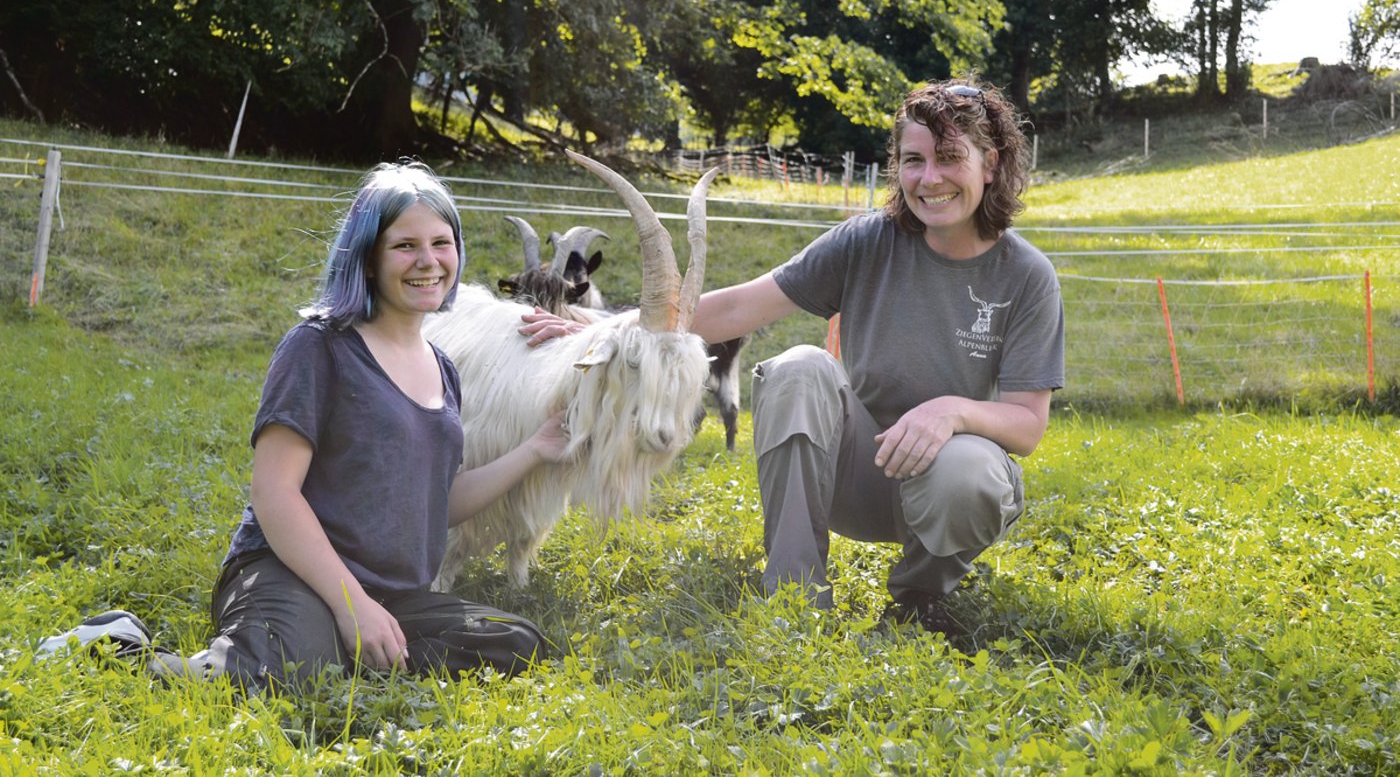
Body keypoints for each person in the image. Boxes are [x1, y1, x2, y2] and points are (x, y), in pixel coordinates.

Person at [524, 78, 1064, 633]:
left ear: (991, 164)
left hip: (946, 486)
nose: (930, 179)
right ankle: (794, 599)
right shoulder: (868, 241)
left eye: (950, 157)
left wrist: (950, 412)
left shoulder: (1026, 276)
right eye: (913, 159)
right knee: (797, 367)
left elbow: (1025, 424)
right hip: (855, 471)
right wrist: (594, 326)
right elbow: (737, 308)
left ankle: (918, 598)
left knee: (971, 475)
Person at [40, 161, 569, 691]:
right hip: (286, 569)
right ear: (367, 257)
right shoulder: (319, 347)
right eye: (404, 246)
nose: (428, 261)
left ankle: (342, 645)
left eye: (441, 242)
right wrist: (351, 604)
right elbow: (274, 494)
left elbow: (438, 499)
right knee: (285, 674)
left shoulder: (443, 368)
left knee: (516, 642)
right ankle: (116, 642)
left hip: (393, 594)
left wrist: (537, 449)